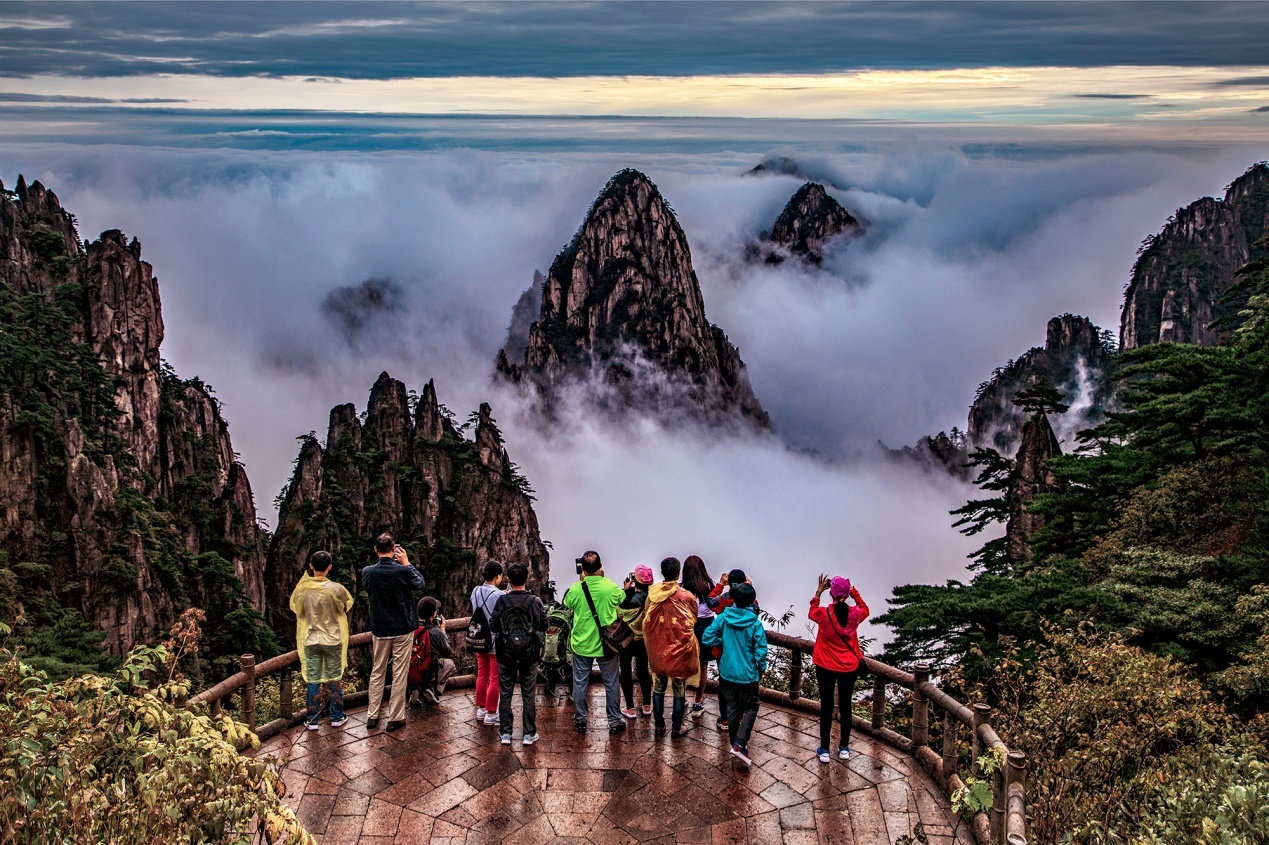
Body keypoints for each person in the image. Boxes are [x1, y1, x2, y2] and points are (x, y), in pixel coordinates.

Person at [362, 534, 425, 732]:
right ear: (393, 549)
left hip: (380, 628)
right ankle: (395, 717)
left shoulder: (368, 572)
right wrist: (407, 563)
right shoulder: (403, 571)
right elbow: (419, 584)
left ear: (375, 549)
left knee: (377, 670)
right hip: (402, 628)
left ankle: (372, 715)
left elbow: (368, 589)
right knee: (399, 672)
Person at [702, 583, 768, 767]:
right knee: (751, 708)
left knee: (732, 708)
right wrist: (761, 668)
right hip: (748, 674)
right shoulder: (755, 623)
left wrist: (721, 642)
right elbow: (760, 651)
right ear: (752, 601)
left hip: (727, 672)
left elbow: (707, 637)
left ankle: (735, 744)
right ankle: (740, 743)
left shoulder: (723, 618)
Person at [562, 550, 625, 734]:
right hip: (607, 645)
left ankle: (580, 720)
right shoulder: (610, 587)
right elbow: (621, 599)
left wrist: (582, 581)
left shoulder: (576, 589)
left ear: (582, 568)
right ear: (601, 566)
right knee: (611, 683)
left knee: (580, 683)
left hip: (582, 643)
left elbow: (567, 603)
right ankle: (614, 721)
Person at [289, 550, 353, 731]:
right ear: (329, 567)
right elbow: (346, 606)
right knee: (334, 679)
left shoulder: (303, 589)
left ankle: (312, 720)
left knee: (313, 680)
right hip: (333, 639)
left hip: (311, 640)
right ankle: (336, 717)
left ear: (311, 566)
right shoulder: (337, 589)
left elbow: (297, 609)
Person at [810, 574, 869, 763]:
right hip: (849, 667)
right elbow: (865, 609)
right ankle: (844, 748)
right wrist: (853, 591)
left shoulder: (823, 613)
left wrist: (818, 592)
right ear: (846, 595)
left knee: (826, 707)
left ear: (832, 594)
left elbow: (811, 612)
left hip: (825, 665)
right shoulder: (855, 614)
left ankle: (824, 750)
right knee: (845, 706)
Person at [490, 562, 548, 746]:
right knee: (528, 694)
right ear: (527, 578)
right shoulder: (534, 601)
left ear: (508, 579)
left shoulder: (502, 601)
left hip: (505, 653)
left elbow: (493, 625)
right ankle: (529, 734)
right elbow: (544, 625)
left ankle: (506, 733)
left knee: (505, 693)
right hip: (529, 654)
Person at [643, 557, 700, 736]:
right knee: (679, 688)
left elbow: (646, 616)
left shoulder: (653, 594)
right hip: (679, 648)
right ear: (678, 573)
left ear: (662, 572)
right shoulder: (687, 596)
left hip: (658, 647)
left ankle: (659, 725)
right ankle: (677, 727)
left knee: (658, 687)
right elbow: (693, 618)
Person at [681, 554, 716, 719]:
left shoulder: (682, 588)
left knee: (683, 665)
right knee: (703, 666)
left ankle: (681, 699)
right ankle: (697, 702)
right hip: (707, 627)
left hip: (688, 626)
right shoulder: (711, 585)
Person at [470, 561, 505, 727]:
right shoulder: (500, 595)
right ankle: (491, 713)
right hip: (494, 641)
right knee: (495, 678)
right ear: (497, 577)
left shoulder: (475, 590)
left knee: (482, 674)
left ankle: (481, 709)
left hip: (479, 638)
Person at [618, 565, 654, 718]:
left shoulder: (626, 598)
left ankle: (630, 708)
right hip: (643, 640)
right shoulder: (652, 598)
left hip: (626, 640)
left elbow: (618, 611)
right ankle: (646, 705)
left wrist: (625, 591)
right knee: (643, 671)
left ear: (634, 580)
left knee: (626, 672)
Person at [410, 597, 456, 705]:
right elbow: (447, 652)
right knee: (450, 664)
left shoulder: (411, 627)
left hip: (411, 670)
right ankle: (430, 689)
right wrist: (443, 632)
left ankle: (414, 689)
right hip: (429, 671)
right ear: (434, 614)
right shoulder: (436, 632)